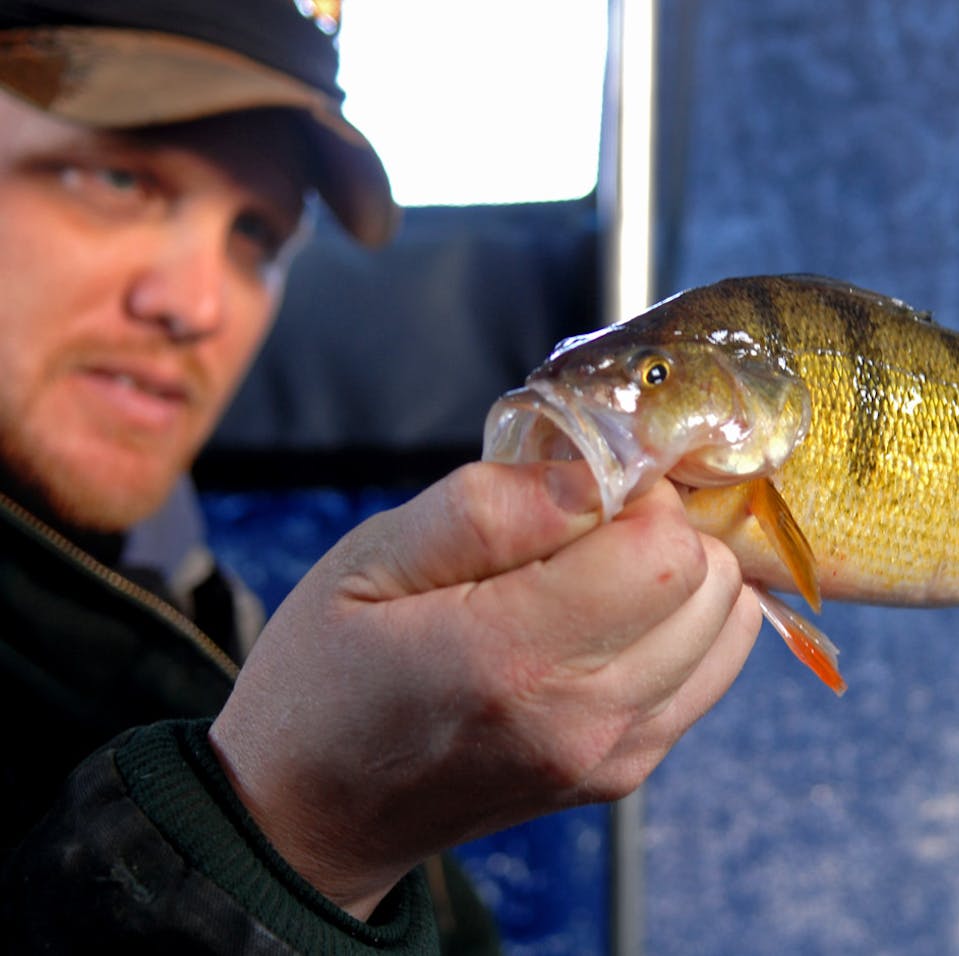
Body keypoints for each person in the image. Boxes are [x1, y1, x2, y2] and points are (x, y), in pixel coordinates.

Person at [0, 2, 762, 952]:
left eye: (257, 235)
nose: (196, 304)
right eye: (118, 178)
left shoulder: (197, 615)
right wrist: (292, 832)